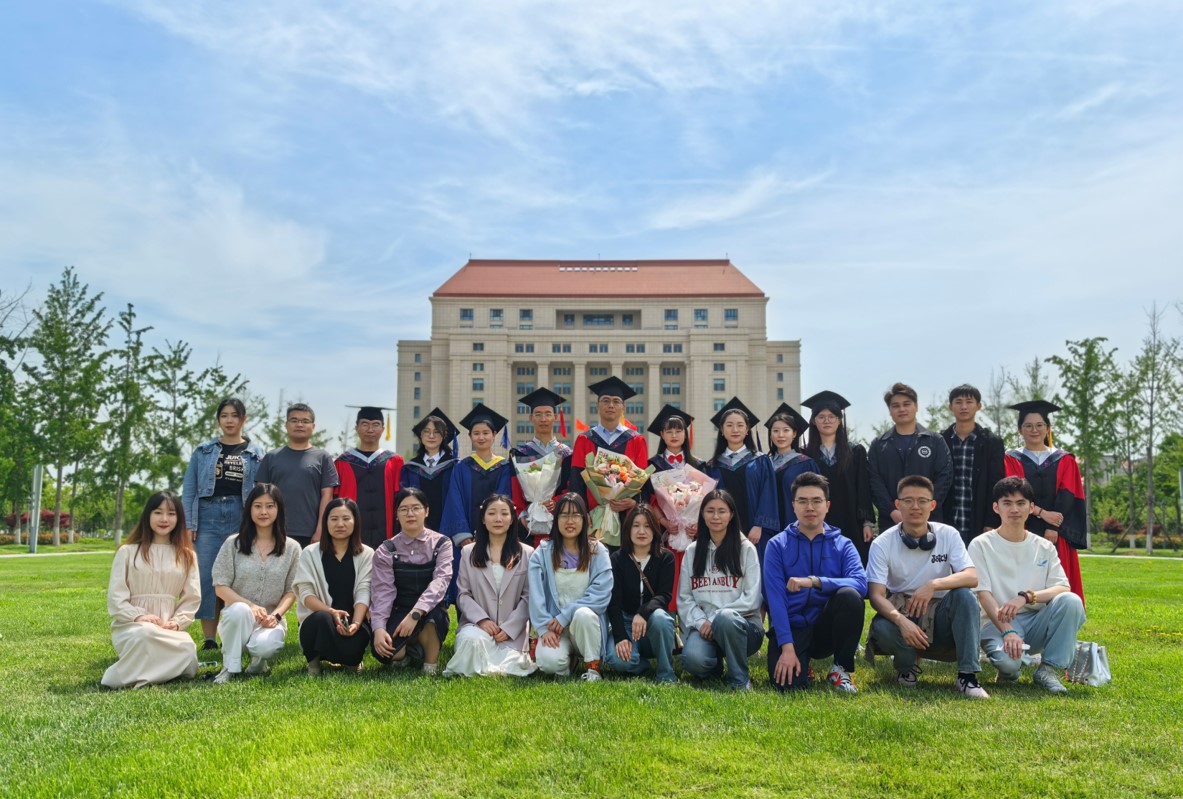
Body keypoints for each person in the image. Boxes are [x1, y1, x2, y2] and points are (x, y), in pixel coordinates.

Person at [865, 475, 988, 698]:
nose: (915, 506)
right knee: (882, 628)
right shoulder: (882, 543)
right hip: (904, 610)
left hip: (941, 612)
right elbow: (876, 595)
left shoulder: (948, 534)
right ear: (898, 504)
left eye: (922, 501)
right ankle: (906, 668)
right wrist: (902, 621)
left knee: (965, 595)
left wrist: (932, 585)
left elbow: (972, 577)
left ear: (932, 505)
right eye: (908, 501)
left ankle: (967, 676)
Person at [968, 477, 1086, 694]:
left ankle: (1048, 670)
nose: (1014, 509)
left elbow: (1062, 587)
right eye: (1007, 503)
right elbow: (983, 594)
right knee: (1009, 665)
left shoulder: (1044, 546)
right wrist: (1008, 631)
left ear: (1031, 508)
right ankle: (1009, 672)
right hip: (996, 622)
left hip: (1035, 620)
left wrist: (1025, 597)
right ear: (996, 507)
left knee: (1071, 601)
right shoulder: (981, 544)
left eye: (1021, 503)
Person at [764, 472, 867, 694]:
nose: (810, 507)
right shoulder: (776, 545)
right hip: (793, 627)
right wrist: (787, 648)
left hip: (826, 626)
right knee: (787, 686)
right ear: (793, 505)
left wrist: (815, 582)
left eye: (816, 501)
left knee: (849, 596)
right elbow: (775, 599)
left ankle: (840, 668)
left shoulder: (844, 544)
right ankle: (802, 660)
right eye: (802, 501)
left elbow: (860, 583)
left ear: (827, 505)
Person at [181, 397, 266, 651]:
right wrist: (189, 523)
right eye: (224, 416)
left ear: (244, 419)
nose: (229, 420)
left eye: (235, 416)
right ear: (219, 419)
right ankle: (209, 639)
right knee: (207, 575)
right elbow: (189, 489)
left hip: (242, 514)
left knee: (240, 574)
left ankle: (239, 634)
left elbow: (262, 492)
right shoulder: (203, 451)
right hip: (207, 515)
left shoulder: (256, 453)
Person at [102, 491, 200, 689]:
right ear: (148, 515)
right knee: (145, 633)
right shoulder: (127, 552)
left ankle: (146, 673)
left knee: (188, 648)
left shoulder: (187, 555)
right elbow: (116, 597)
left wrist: (177, 622)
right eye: (158, 512)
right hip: (132, 626)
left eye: (171, 513)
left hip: (166, 628)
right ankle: (118, 677)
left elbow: (192, 598)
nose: (164, 519)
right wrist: (138, 616)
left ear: (179, 518)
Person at [211, 483, 301, 683]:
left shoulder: (292, 548)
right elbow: (220, 586)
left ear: (279, 509)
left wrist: (276, 616)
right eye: (257, 506)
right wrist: (250, 605)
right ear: (249, 509)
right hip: (237, 620)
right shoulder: (233, 544)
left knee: (265, 646)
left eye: (270, 506)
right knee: (240, 609)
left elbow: (291, 591)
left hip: (270, 621)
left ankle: (258, 663)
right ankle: (229, 667)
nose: (263, 512)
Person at [678, 489, 764, 690]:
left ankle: (739, 679)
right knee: (693, 660)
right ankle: (715, 665)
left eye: (722, 511)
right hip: (705, 628)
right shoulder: (692, 551)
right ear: (702, 515)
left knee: (725, 618)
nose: (715, 516)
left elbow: (752, 598)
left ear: (731, 515)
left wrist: (715, 618)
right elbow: (685, 597)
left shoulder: (745, 549)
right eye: (710, 511)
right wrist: (701, 622)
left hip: (743, 627)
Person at [1003, 400, 1087, 603]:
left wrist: (1053, 527)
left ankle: (1060, 615)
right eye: (1028, 426)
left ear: (1048, 428)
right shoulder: (1011, 458)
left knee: (1058, 580)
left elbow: (1068, 494)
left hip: (1057, 533)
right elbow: (1014, 492)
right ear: (1020, 430)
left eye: (1040, 425)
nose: (1034, 430)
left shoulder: (1064, 459)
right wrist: (1041, 513)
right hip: (1022, 527)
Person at [445, 494, 537, 677]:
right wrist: (482, 620)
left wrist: (510, 628)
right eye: (492, 513)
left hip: (512, 634)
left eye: (504, 513)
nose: (498, 519)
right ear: (483, 519)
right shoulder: (468, 552)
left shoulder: (527, 553)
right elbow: (463, 594)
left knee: (513, 662)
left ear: (512, 519)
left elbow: (528, 598)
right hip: (477, 627)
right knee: (471, 641)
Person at [528, 492, 613, 681]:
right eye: (564, 515)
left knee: (584, 614)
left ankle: (593, 668)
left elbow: (601, 594)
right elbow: (535, 596)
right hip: (554, 628)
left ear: (585, 519)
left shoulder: (597, 551)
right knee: (548, 663)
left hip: (586, 627)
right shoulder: (542, 553)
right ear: (555, 519)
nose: (570, 521)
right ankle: (567, 661)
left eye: (575, 515)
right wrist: (543, 628)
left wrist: (566, 615)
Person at [370, 488, 453, 674]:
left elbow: (441, 581)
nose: (410, 514)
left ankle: (430, 664)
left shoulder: (442, 543)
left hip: (430, 609)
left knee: (432, 620)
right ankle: (409, 650)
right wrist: (378, 629)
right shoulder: (386, 550)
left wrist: (415, 614)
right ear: (396, 514)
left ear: (426, 511)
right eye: (404, 509)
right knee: (386, 653)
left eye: (416, 508)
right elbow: (382, 592)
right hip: (400, 609)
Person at [441, 403, 514, 603]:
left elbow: (505, 500)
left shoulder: (504, 467)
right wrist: (464, 537)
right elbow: (454, 501)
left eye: (485, 433)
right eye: (476, 433)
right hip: (467, 539)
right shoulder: (461, 467)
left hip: (497, 536)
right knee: (467, 585)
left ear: (494, 435)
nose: (481, 437)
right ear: (470, 437)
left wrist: (497, 531)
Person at [293, 498, 373, 675]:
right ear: (325, 522)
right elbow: (306, 594)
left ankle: (352, 660)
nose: (340, 524)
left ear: (355, 521)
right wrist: (331, 612)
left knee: (351, 653)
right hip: (320, 622)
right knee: (321, 619)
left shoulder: (366, 554)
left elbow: (364, 591)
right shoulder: (310, 553)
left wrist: (356, 623)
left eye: (346, 518)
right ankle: (314, 664)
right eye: (334, 519)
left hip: (353, 621)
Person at [603, 504, 678, 684]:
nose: (641, 531)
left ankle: (666, 673)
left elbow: (664, 595)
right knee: (617, 660)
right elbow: (614, 602)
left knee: (661, 618)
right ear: (628, 529)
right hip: (626, 623)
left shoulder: (666, 558)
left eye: (647, 526)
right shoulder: (617, 559)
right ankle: (642, 665)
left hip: (653, 622)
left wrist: (643, 613)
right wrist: (620, 636)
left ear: (655, 530)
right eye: (636, 525)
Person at [640, 404, 705, 610]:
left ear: (685, 433)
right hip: (664, 534)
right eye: (669, 431)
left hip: (692, 534)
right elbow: (648, 500)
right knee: (667, 578)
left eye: (678, 430)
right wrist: (664, 522)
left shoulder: (699, 465)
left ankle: (691, 620)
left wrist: (698, 524)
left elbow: (705, 500)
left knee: (693, 578)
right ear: (661, 434)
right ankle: (667, 620)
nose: (674, 435)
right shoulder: (652, 465)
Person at [801, 390, 875, 566]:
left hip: (850, 519)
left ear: (840, 420)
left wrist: (867, 523)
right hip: (816, 519)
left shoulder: (855, 452)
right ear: (813, 421)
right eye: (821, 417)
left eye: (832, 416)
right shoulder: (805, 454)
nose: (827, 421)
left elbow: (863, 487)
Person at [568, 376, 650, 530]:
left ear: (623, 407)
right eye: (605, 400)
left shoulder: (636, 440)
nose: (611, 405)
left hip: (628, 517)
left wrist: (634, 503)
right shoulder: (584, 439)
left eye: (616, 401)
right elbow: (576, 480)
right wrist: (581, 512)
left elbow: (643, 481)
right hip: (592, 516)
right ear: (597, 405)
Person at [868, 382, 953, 528]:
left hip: (930, 520)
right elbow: (874, 481)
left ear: (916, 406)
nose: (902, 409)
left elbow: (945, 477)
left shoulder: (935, 440)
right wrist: (892, 511)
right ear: (890, 410)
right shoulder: (879, 445)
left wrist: (925, 507)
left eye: (906, 404)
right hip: (891, 522)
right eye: (896, 406)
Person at [256, 403, 339, 549]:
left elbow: (327, 496)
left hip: (310, 533)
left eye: (305, 421)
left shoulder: (323, 457)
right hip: (275, 531)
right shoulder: (271, 457)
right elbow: (260, 496)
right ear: (286, 425)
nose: (299, 425)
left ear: (313, 426)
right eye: (294, 420)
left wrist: (321, 529)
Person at [703, 398, 778, 557]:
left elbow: (768, 494)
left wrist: (759, 525)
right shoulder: (712, 465)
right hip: (721, 531)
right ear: (722, 430)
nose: (735, 430)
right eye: (729, 425)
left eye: (740, 425)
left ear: (747, 429)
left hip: (754, 532)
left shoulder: (761, 460)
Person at [940, 385, 1005, 547]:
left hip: (979, 521)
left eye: (969, 402)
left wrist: (991, 521)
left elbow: (996, 484)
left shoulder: (991, 442)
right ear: (950, 407)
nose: (964, 407)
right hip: (946, 520)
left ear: (978, 406)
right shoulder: (940, 441)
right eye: (958, 402)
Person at [334, 405, 404, 549]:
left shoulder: (394, 461)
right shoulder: (342, 462)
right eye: (365, 424)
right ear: (357, 428)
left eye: (375, 425)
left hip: (387, 535)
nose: (370, 429)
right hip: (352, 535)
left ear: (383, 429)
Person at [510, 388, 573, 542]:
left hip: (560, 518)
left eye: (548, 414)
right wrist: (522, 514)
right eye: (538, 414)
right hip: (528, 522)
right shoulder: (520, 454)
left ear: (555, 417)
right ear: (531, 418)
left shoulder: (567, 454)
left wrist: (556, 501)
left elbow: (572, 487)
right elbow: (515, 488)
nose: (543, 419)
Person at [764, 402, 822, 534]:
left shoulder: (806, 463)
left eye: (786, 430)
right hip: (767, 528)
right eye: (776, 431)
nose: (780, 435)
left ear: (794, 433)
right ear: (771, 434)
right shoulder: (764, 464)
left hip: (798, 527)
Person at [399, 409, 458, 534]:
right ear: (420, 435)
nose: (431, 436)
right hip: (416, 530)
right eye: (427, 432)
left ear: (444, 436)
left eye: (436, 432)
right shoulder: (410, 468)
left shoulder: (455, 466)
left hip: (448, 528)